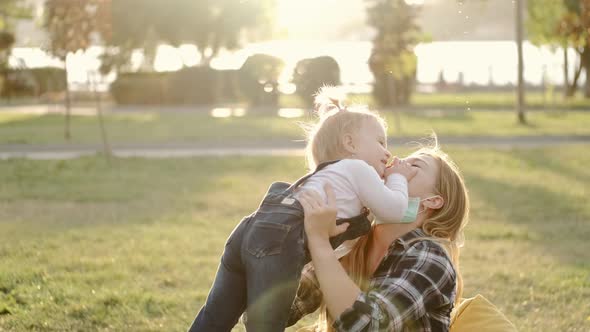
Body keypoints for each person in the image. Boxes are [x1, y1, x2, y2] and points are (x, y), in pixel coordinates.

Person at [188, 87, 418, 332]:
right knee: (266, 326)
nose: (387, 153)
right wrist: (398, 177)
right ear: (349, 143)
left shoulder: (329, 175)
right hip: (279, 240)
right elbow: (393, 210)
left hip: (249, 229)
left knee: (214, 317)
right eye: (381, 142)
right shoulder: (358, 169)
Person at [290, 141, 470, 331]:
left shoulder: (431, 257)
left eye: (414, 165)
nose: (395, 164)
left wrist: (319, 242)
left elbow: (368, 326)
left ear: (432, 202)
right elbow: (284, 306)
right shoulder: (352, 242)